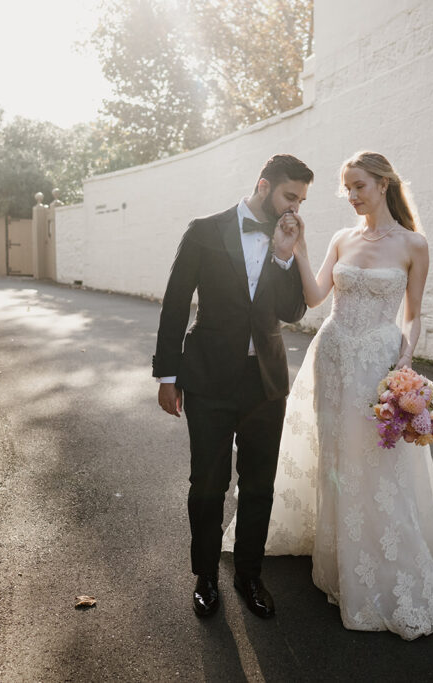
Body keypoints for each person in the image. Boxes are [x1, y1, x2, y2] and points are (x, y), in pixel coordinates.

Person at [223, 151, 433, 640]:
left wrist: (407, 355)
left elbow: (413, 313)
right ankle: (339, 559)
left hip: (378, 358)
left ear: (383, 183)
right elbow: (313, 298)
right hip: (331, 358)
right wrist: (304, 248)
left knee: (376, 456)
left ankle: (383, 556)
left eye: (359, 186)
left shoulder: (414, 243)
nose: (352, 196)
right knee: (337, 454)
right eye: (347, 188)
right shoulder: (340, 238)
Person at [153, 154, 314, 619]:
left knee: (260, 483)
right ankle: (205, 575)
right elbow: (175, 303)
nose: (294, 210)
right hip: (207, 378)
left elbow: (292, 312)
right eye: (289, 197)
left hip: (265, 380)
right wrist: (168, 374)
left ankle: (249, 574)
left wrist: (285, 255)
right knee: (207, 481)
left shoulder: (287, 237)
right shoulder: (204, 230)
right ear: (263, 186)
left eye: (301, 201)